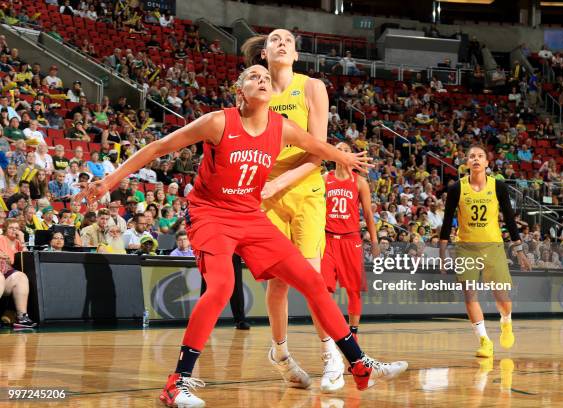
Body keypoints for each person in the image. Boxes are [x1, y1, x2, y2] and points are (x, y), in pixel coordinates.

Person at [78, 65, 407, 408]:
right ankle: (176, 384)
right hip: (211, 214)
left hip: (250, 215)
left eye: (266, 78)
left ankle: (358, 363)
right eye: (253, 77)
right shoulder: (218, 122)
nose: (262, 80)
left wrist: (345, 157)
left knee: (311, 280)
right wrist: (109, 181)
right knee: (221, 286)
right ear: (240, 92)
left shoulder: (282, 128)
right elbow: (159, 147)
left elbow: (317, 147)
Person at [242, 28, 345, 391]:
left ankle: (330, 353)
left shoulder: (312, 87)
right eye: (274, 39)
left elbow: (317, 153)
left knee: (312, 278)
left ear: (296, 55)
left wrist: (276, 184)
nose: (282, 42)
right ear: (264, 54)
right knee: (278, 281)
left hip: (305, 186)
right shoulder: (257, 88)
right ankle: (280, 353)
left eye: (288, 40)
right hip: (265, 191)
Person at [439, 144, 531, 359]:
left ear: (487, 163)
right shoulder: (456, 188)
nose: (476, 159)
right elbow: (446, 223)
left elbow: (509, 220)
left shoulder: (498, 186)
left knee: (501, 296)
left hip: (493, 246)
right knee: (470, 294)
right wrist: (443, 255)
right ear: (466, 163)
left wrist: (519, 252)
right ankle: (484, 341)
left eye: (480, 156)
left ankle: (506, 320)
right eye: (472, 156)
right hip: (465, 247)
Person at [320, 142, 380, 342]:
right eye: (338, 148)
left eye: (346, 149)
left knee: (354, 291)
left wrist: (374, 241)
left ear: (352, 156)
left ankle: (352, 333)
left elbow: (369, 214)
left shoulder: (360, 182)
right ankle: (329, 333)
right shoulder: (324, 179)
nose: (342, 151)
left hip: (351, 239)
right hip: (327, 239)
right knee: (323, 289)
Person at [0, 219, 37, 328]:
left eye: (16, 228)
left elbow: (26, 258)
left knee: (21, 277)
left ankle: (22, 318)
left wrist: (21, 240)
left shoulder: (17, 243)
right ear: (5, 229)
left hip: (7, 272)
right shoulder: (1, 238)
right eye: (11, 228)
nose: (14, 230)